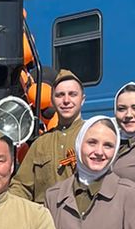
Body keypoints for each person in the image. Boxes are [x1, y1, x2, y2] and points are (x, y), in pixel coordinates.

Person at [14, 68, 85, 203]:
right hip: (46, 219)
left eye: (72, 94)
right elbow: (21, 186)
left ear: (82, 99)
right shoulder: (40, 144)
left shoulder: (93, 136)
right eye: (60, 95)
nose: (66, 100)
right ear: (52, 99)